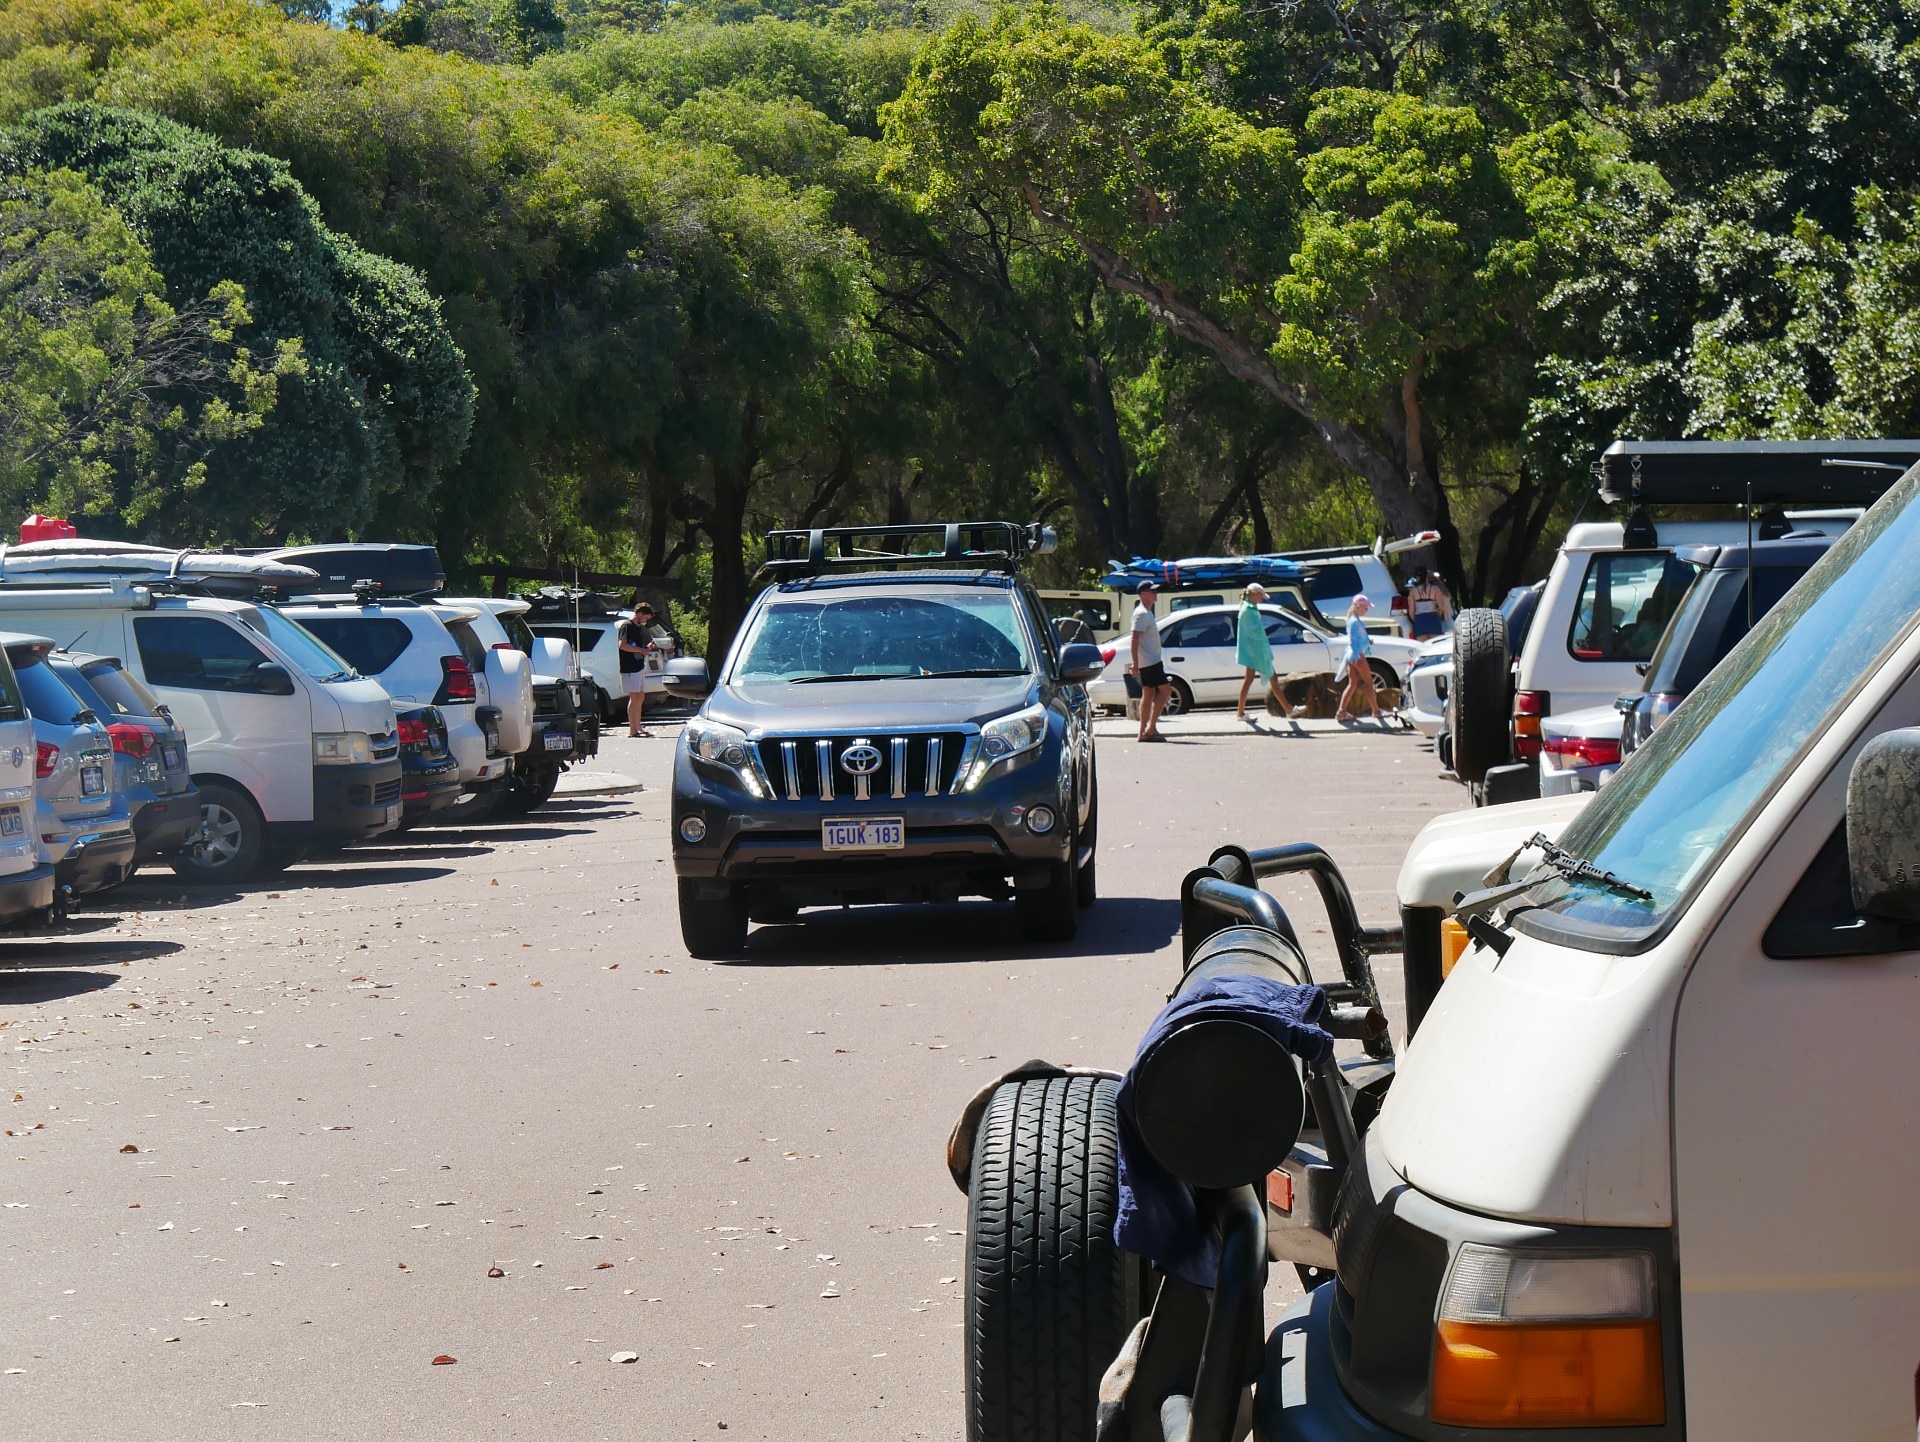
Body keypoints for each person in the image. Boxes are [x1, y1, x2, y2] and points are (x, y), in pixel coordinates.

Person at [1234, 583, 1286, 721]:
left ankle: (1240, 713)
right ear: (1254, 594)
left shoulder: (1248, 608)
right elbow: (1256, 635)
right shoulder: (1248, 610)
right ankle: (1289, 709)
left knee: (1250, 680)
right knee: (1272, 677)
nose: (1261, 600)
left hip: (1251, 651)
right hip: (1255, 651)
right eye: (1260, 597)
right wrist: (1263, 652)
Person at [617, 602, 669, 737]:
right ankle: (632, 730)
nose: (646, 621)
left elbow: (636, 647)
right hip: (629, 667)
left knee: (640, 697)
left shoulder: (638, 627)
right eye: (645, 618)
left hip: (639, 665)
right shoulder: (627, 626)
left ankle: (639, 727)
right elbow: (622, 645)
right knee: (634, 697)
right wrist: (641, 650)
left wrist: (646, 648)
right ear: (640, 614)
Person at [1128, 581, 1171, 742]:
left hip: (1150, 660)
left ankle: (1143, 732)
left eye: (1155, 591)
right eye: (1152, 591)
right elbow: (1134, 638)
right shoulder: (1141, 614)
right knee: (1165, 691)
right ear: (1142, 594)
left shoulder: (1146, 613)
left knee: (1148, 694)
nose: (1155, 594)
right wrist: (1135, 663)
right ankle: (1151, 728)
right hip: (1150, 661)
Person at [1335, 595, 1385, 724]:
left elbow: (1358, 638)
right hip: (1356, 655)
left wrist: (1367, 641)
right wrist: (1358, 656)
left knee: (1352, 684)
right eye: (1366, 607)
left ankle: (1341, 712)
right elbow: (1353, 641)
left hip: (1351, 654)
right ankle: (1376, 711)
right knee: (1369, 683)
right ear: (1358, 607)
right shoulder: (1355, 622)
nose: (1367, 610)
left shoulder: (1354, 620)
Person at [1407, 568, 1455, 640]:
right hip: (1433, 618)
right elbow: (1442, 607)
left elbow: (1411, 612)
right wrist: (1439, 613)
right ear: (1427, 576)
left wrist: (1416, 621)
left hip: (1419, 619)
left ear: (1417, 577)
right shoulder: (1435, 589)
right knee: (1435, 644)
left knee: (1422, 645)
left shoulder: (1413, 591)